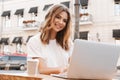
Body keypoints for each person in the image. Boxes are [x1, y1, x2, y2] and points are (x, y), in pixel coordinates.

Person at [27, 4, 73, 75]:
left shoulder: (67, 42)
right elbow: (42, 69)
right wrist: (62, 69)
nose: (61, 22)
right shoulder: (35, 41)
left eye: (64, 20)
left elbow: (74, 65)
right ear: (50, 17)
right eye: (58, 17)